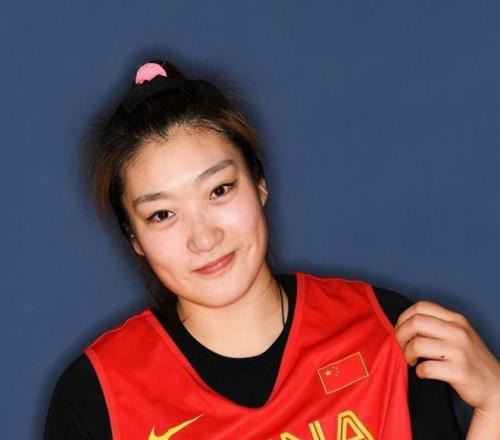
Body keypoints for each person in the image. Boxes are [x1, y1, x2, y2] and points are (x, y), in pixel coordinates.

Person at [44, 60, 500, 439]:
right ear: (134, 238)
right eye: (162, 214)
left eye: (219, 190)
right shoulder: (98, 395)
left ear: (259, 183)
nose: (204, 238)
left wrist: (494, 405)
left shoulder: (384, 330)